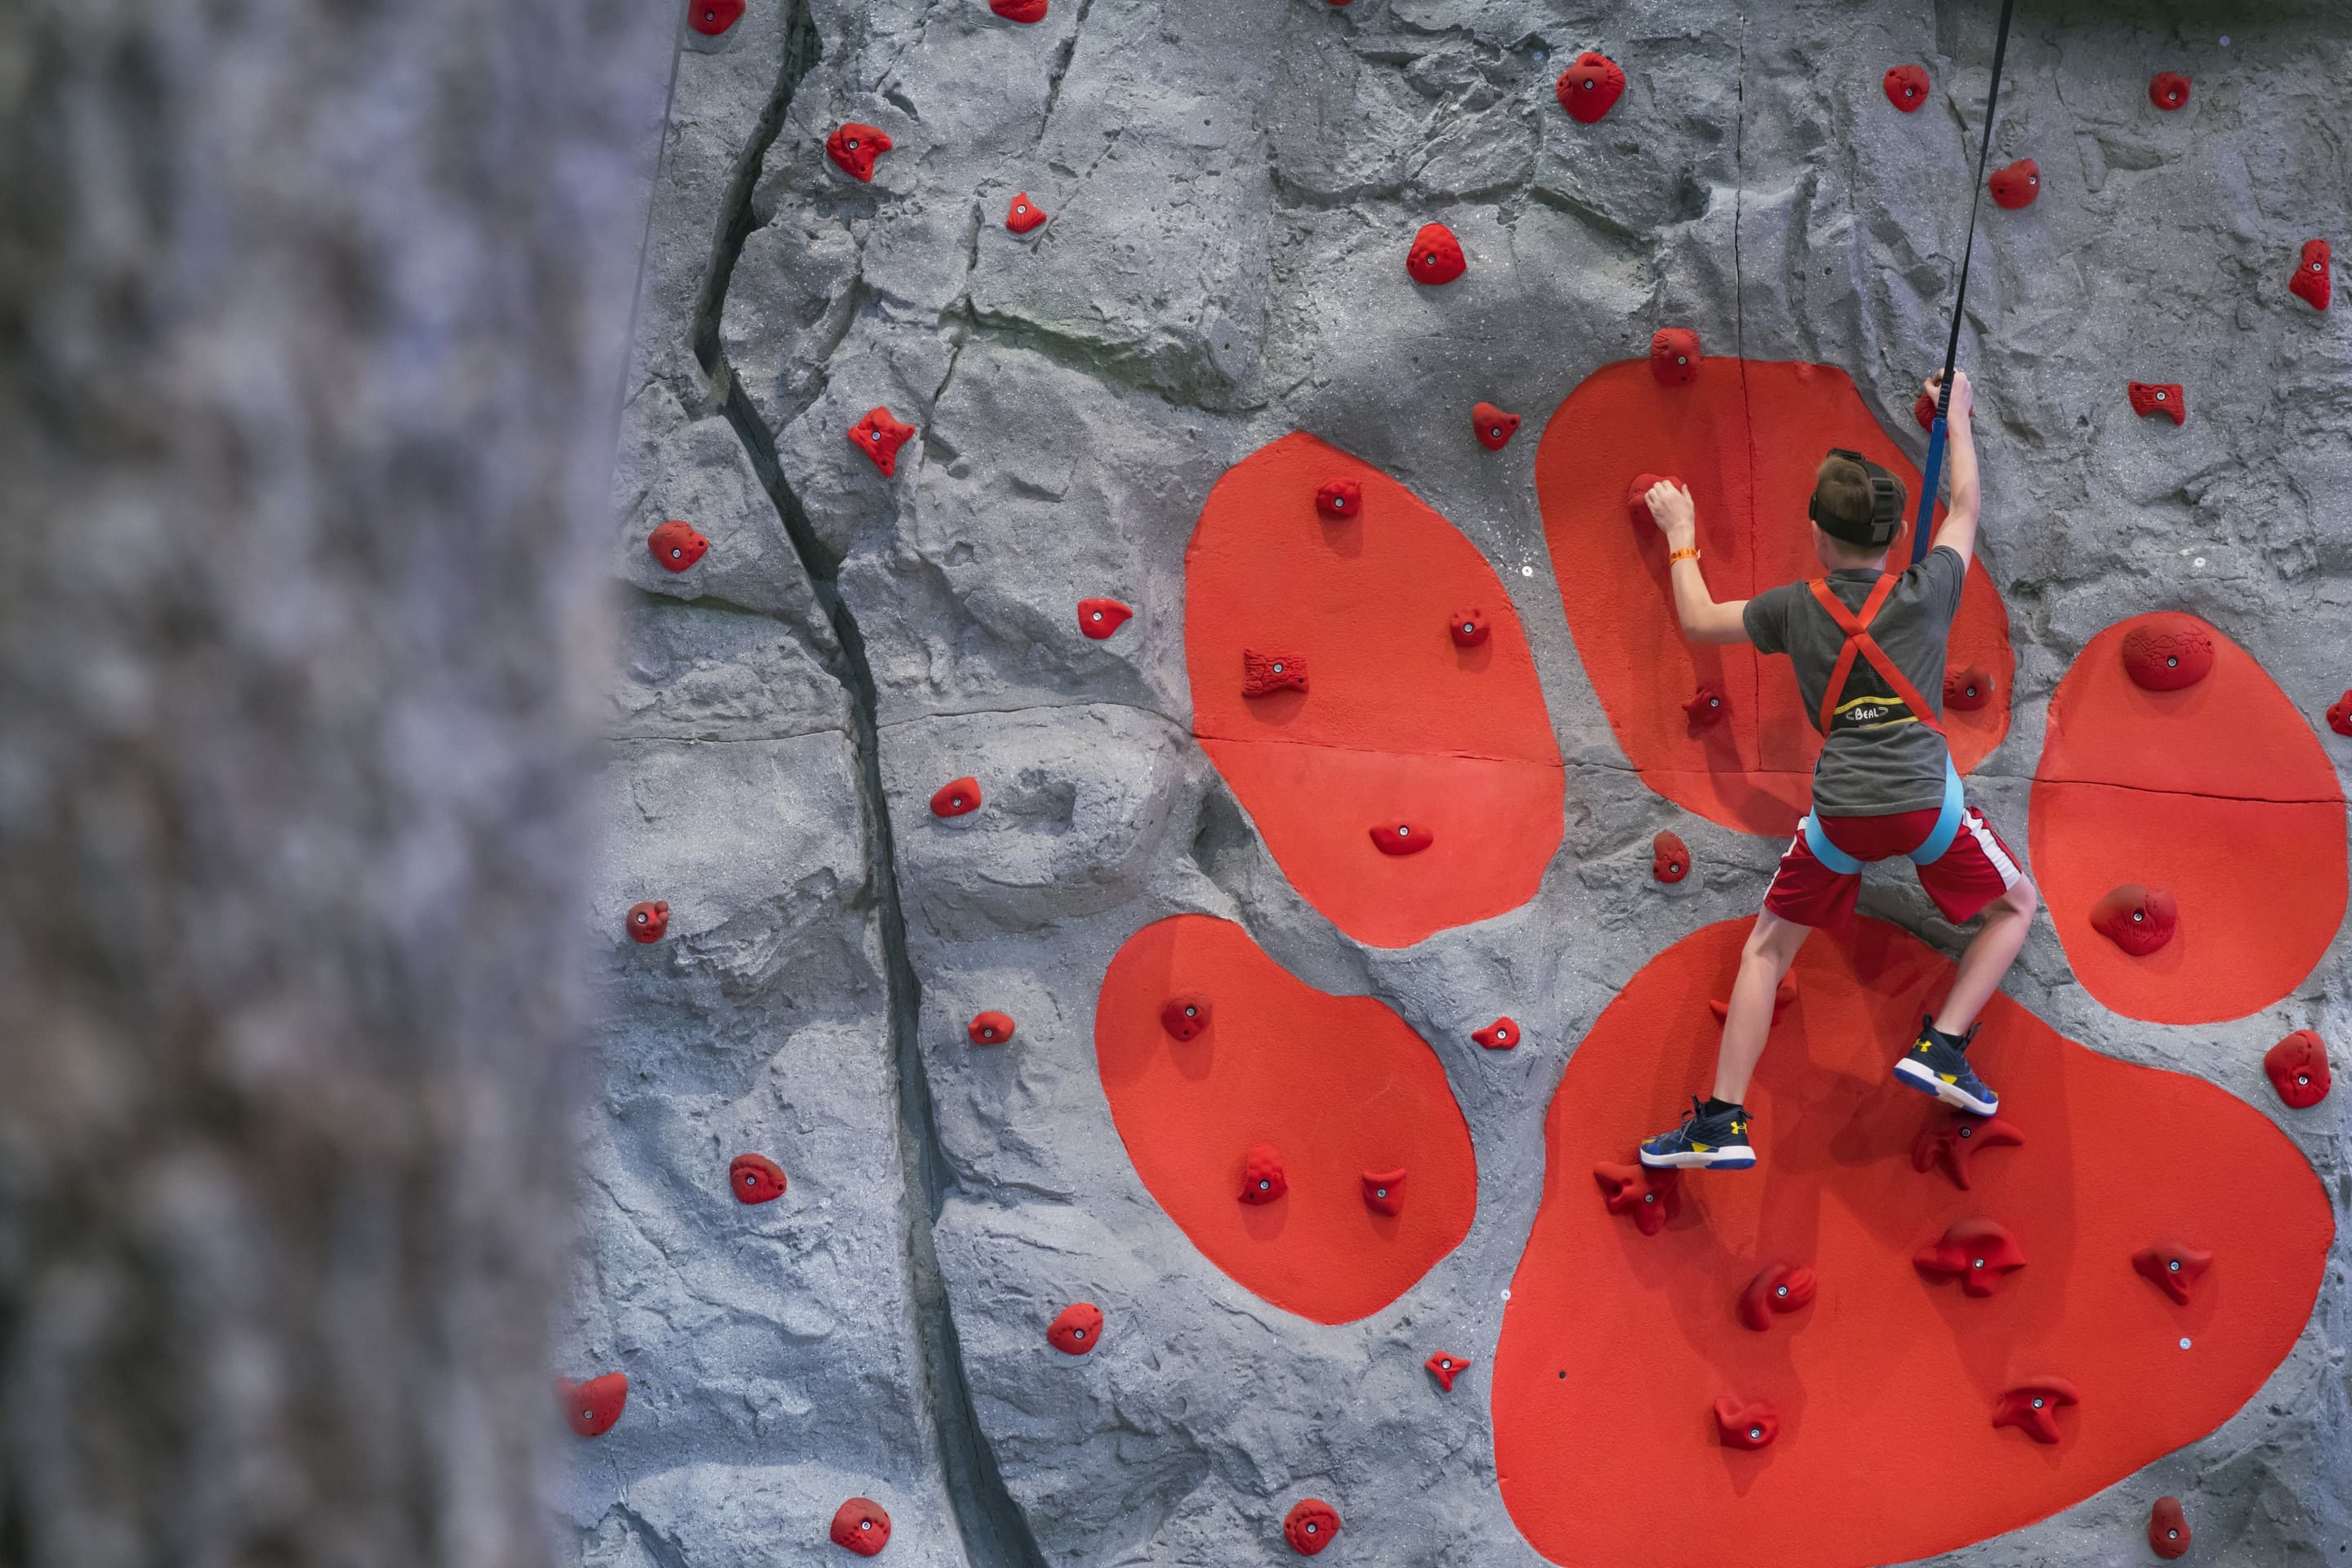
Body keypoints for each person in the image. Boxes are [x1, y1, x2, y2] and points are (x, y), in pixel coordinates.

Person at [1635, 370, 2036, 1172]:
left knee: (1764, 953)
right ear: (1892, 540)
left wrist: (1681, 533)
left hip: (1841, 815)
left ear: (1816, 533)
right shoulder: (1928, 591)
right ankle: (1945, 1044)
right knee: (2016, 908)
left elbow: (1698, 618)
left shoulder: (1795, 608)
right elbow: (1963, 507)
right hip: (1925, 805)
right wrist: (1955, 415)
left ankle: (1721, 1119)